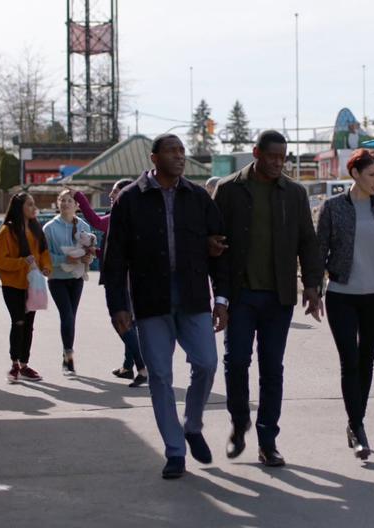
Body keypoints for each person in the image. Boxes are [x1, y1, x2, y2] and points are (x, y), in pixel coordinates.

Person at [102, 134, 229, 479]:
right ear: (153, 157)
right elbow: (114, 259)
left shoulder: (198, 197)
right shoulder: (130, 200)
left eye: (182, 151)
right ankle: (175, 451)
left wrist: (221, 297)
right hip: (150, 299)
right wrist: (117, 306)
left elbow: (219, 247)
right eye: (172, 151)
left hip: (192, 296)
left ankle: (193, 424)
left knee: (206, 362)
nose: (179, 156)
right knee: (159, 375)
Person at [213, 130, 323, 467]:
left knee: (272, 368)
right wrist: (220, 296)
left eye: (283, 157)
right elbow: (215, 246)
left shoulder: (294, 193)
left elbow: (308, 240)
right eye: (272, 156)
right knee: (236, 361)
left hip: (279, 296)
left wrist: (313, 285)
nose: (278, 163)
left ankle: (268, 441)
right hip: (240, 294)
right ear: (256, 153)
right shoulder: (229, 189)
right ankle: (239, 420)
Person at [316, 149, 374, 460]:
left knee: (367, 361)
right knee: (349, 361)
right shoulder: (333, 207)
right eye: (372, 175)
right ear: (355, 174)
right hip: (342, 295)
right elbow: (319, 248)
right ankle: (358, 427)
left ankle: (354, 423)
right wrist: (313, 290)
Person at [74, 180, 149, 386]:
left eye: (115, 192)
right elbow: (113, 251)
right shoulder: (125, 215)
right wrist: (95, 252)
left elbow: (96, 222)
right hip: (123, 276)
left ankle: (142, 367)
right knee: (128, 322)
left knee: (121, 321)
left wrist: (78, 196)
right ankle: (128, 366)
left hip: (121, 279)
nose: (111, 195)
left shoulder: (121, 215)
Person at [0, 193, 52, 383]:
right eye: (29, 204)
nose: (33, 207)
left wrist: (46, 267)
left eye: (33, 204)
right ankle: (14, 365)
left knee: (29, 325)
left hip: (33, 285)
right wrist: (22, 262)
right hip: (13, 285)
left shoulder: (36, 229)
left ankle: (25, 364)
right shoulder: (7, 231)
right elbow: (1, 261)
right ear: (19, 207)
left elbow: (43, 252)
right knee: (18, 322)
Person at [43, 189, 94, 376]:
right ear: (58, 203)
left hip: (76, 278)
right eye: (62, 200)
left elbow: (89, 251)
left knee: (71, 316)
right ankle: (69, 356)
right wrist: (64, 259)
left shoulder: (84, 226)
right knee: (67, 315)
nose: (65, 203)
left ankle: (67, 354)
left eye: (69, 200)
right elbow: (44, 255)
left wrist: (88, 259)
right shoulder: (49, 228)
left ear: (77, 205)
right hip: (57, 278)